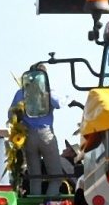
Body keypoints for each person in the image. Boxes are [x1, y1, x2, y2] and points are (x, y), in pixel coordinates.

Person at [12, 68, 67, 197]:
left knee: (34, 177)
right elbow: (58, 103)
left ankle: (35, 204)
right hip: (45, 134)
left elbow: (11, 114)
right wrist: (70, 99)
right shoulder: (47, 91)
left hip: (27, 136)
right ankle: (48, 204)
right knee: (56, 177)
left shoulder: (21, 93)